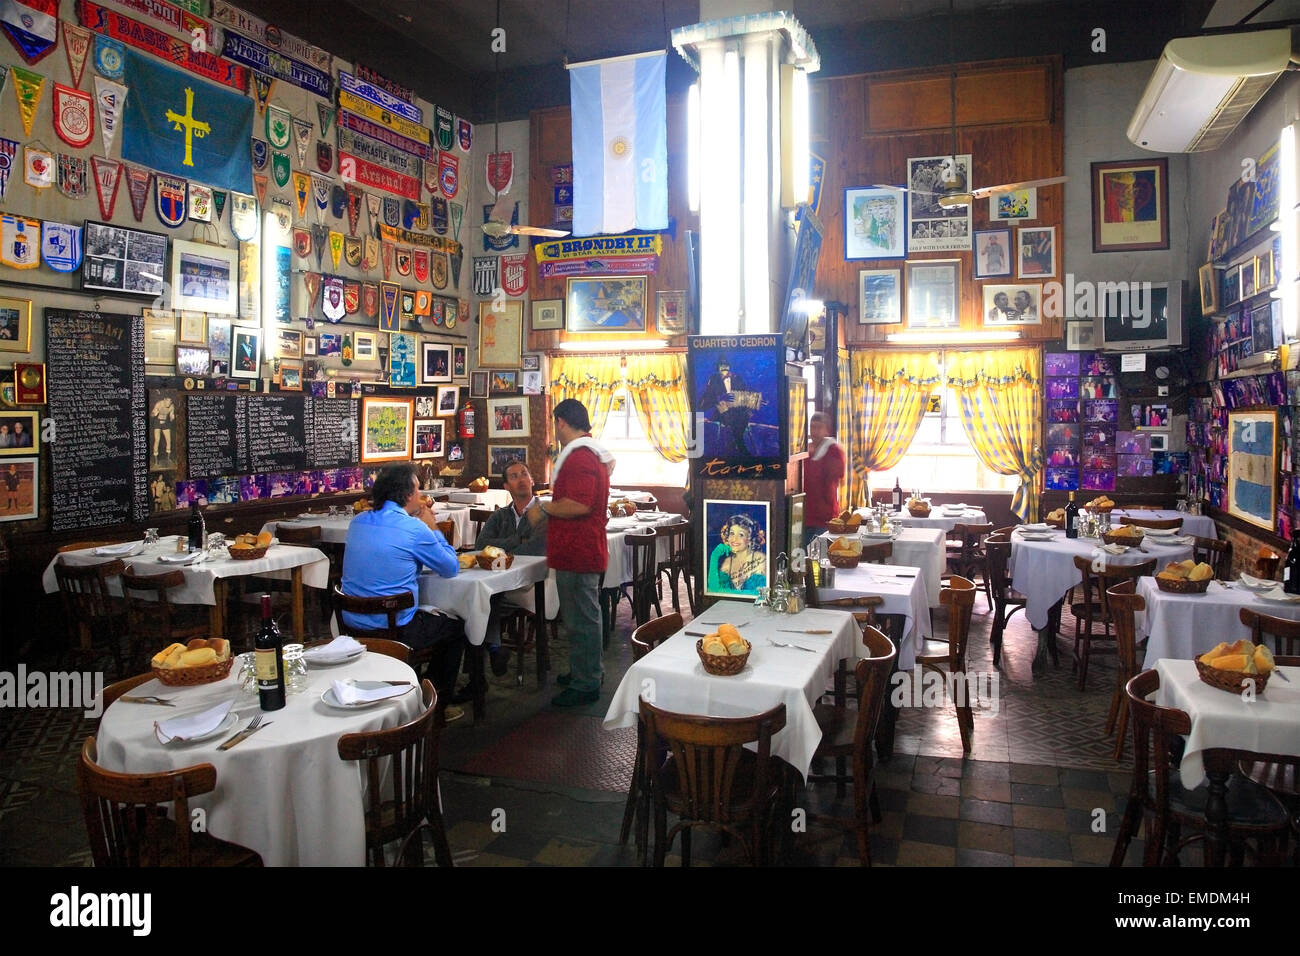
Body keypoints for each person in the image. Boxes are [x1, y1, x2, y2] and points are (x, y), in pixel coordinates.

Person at [342, 463, 467, 722]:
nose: (420, 495)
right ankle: (432, 705)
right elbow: (450, 567)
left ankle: (410, 692)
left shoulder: (357, 522)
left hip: (351, 624)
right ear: (408, 495)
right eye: (418, 489)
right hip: (395, 629)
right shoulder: (414, 529)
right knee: (457, 629)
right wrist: (432, 526)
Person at [539, 399, 611, 707]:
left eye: (556, 424)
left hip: (579, 549)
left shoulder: (580, 457)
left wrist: (544, 507)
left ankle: (587, 683)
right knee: (581, 616)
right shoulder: (591, 453)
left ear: (561, 422)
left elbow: (580, 504)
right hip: (578, 548)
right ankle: (586, 670)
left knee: (582, 618)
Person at [460, 459, 549, 698]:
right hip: (500, 580)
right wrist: (514, 543)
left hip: (532, 582)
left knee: (484, 599)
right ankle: (491, 653)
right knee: (479, 599)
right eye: (514, 476)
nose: (521, 479)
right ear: (506, 486)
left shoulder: (543, 514)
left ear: (532, 480)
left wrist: (502, 548)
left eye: (524, 474)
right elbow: (481, 545)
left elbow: (535, 549)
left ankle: (488, 653)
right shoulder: (500, 516)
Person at [802, 411, 846, 547]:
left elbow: (834, 477)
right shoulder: (803, 450)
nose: (814, 431)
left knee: (821, 557)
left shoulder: (834, 450)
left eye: (818, 427)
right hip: (803, 514)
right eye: (812, 427)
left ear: (827, 430)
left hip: (825, 516)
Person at [698, 358, 752, 457]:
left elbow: (746, 396)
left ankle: (735, 445)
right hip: (721, 411)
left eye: (726, 365)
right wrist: (719, 398)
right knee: (732, 420)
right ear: (718, 367)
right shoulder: (713, 380)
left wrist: (754, 403)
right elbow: (706, 400)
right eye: (721, 365)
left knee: (743, 416)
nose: (724, 368)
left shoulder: (737, 378)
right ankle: (740, 447)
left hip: (738, 411)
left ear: (729, 366)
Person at [707, 514, 767, 594]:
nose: (734, 539)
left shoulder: (761, 558)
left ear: (750, 539)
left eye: (741, 535)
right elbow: (712, 590)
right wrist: (714, 557)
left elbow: (763, 594)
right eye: (732, 533)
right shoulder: (726, 563)